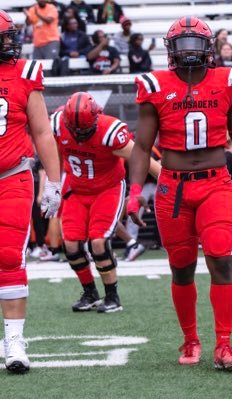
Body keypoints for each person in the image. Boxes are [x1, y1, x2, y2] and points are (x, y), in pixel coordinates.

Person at [128, 16, 232, 371]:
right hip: (173, 187)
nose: (189, 52)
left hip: (216, 182)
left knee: (220, 257)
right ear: (171, 50)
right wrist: (135, 192)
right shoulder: (155, 85)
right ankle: (190, 339)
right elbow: (141, 146)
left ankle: (224, 344)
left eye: (195, 44)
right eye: (182, 45)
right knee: (181, 268)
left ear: (209, 48)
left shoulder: (229, 81)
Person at [50, 92, 160, 313]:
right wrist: (51, 184)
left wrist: (169, 182)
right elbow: (51, 151)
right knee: (70, 244)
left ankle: (112, 296)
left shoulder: (108, 130)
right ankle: (90, 292)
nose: (80, 134)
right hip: (77, 189)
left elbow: (140, 157)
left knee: (98, 242)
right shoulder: (57, 123)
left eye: (85, 129)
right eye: (75, 129)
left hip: (106, 189)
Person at [0, 10, 61, 373]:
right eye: (4, 37)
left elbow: (42, 132)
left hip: (12, 175)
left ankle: (14, 340)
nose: (11, 43)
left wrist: (52, 181)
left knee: (9, 255)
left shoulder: (24, 73)